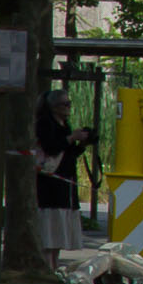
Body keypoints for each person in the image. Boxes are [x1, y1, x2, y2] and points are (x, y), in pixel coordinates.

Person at [33, 90, 93, 256]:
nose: (69, 107)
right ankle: (47, 265)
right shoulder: (45, 124)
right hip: (50, 184)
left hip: (66, 181)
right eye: (65, 104)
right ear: (54, 106)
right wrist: (71, 138)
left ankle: (53, 264)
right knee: (49, 231)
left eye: (69, 103)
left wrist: (82, 144)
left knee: (59, 235)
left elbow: (67, 152)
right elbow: (51, 147)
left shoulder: (65, 125)